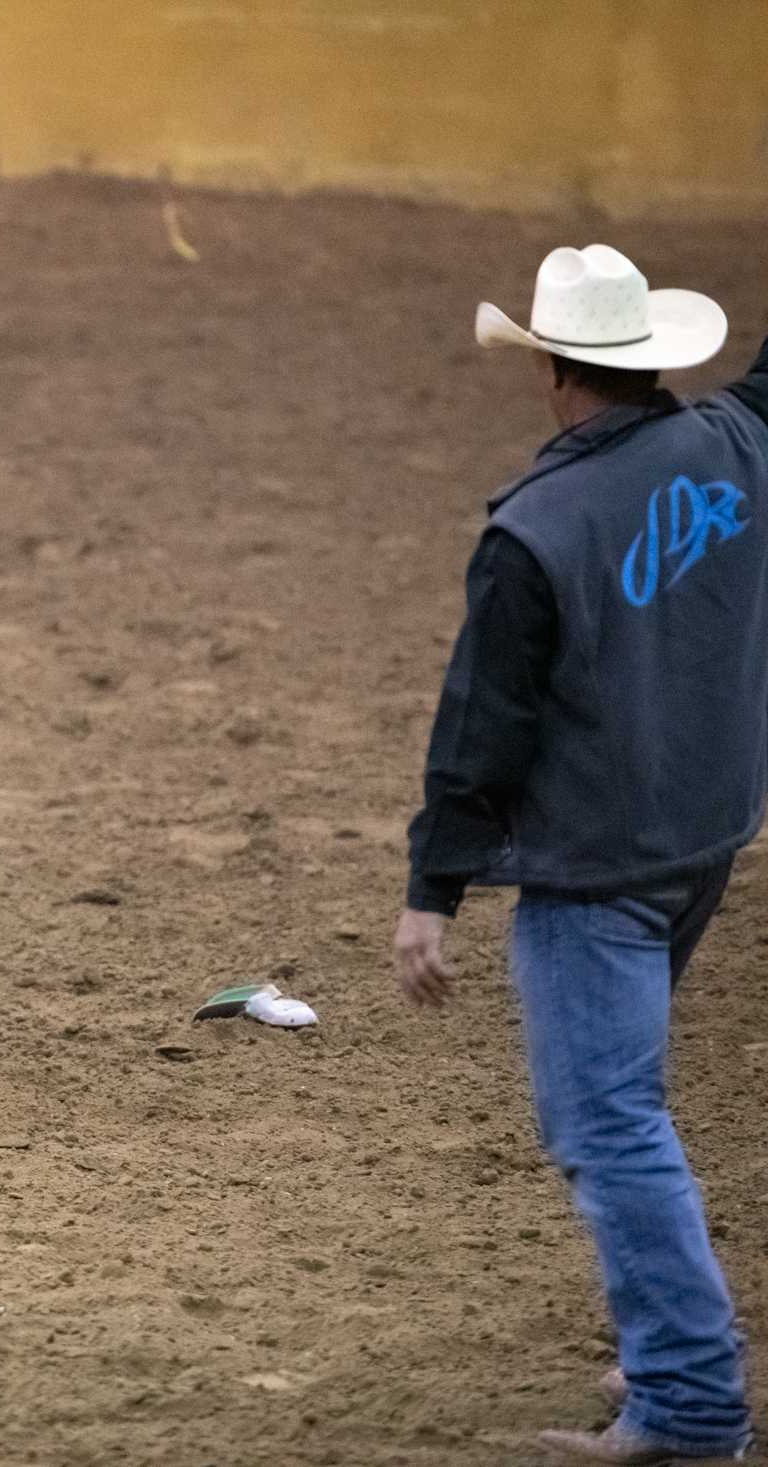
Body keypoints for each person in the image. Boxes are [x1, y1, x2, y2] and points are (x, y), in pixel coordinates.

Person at [393, 243, 766, 1465]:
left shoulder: (534, 530)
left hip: (594, 863)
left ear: (553, 368)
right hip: (703, 834)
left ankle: (691, 1402)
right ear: (651, 357)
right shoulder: (731, 443)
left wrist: (431, 890)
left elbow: (480, 728)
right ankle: (668, 1344)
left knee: (609, 1124)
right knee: (625, 1111)